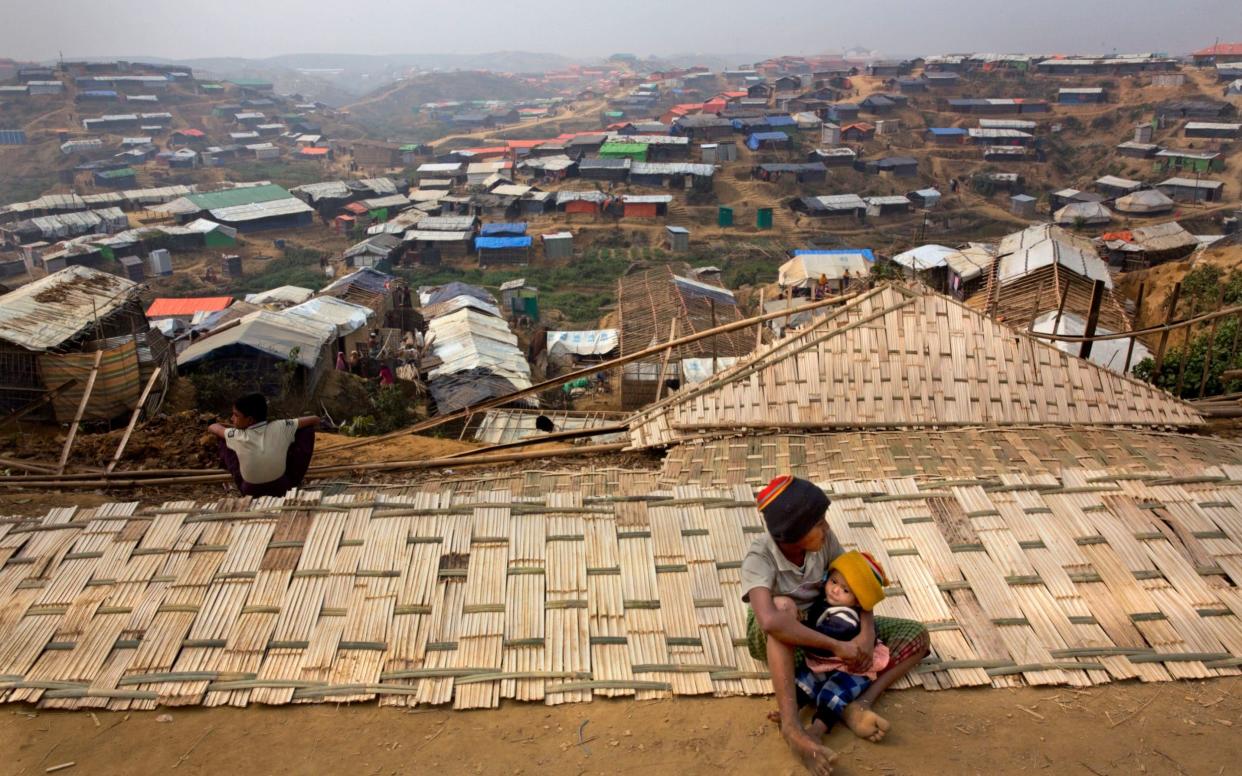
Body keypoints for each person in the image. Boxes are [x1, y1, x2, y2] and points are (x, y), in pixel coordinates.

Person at [743, 476, 930, 776]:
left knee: (916, 636)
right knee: (783, 609)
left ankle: (859, 704)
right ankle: (792, 728)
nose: (826, 527)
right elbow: (768, 620)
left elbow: (856, 581)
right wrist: (836, 646)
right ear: (792, 533)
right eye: (818, 523)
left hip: (827, 624)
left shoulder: (824, 541)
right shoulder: (760, 556)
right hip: (780, 638)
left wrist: (866, 635)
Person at [795, 552, 894, 736]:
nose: (835, 590)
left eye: (845, 590)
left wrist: (798, 630)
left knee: (832, 694)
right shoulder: (827, 603)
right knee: (804, 680)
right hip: (830, 660)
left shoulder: (846, 618)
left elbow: (823, 639)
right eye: (833, 581)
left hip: (852, 667)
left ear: (858, 601)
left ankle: (817, 730)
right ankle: (791, 711)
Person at [208, 393, 319, 498]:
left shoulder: (236, 435)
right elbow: (315, 419)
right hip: (281, 487)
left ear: (250, 420)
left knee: (223, 439)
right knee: (306, 430)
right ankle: (295, 477)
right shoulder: (280, 426)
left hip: (250, 491)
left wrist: (213, 424)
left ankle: (231, 473)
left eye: (236, 415)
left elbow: (214, 428)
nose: (232, 419)